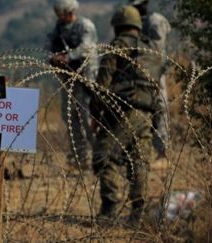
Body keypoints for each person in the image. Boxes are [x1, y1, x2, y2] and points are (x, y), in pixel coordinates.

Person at [91, 5, 162, 223]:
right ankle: (137, 213)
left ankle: (109, 209)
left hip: (124, 111)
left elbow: (102, 85)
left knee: (104, 154)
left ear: (118, 26)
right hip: (147, 113)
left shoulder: (118, 46)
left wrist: (96, 113)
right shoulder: (152, 50)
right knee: (138, 161)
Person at [47, 0, 98, 168]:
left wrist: (68, 57)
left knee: (87, 117)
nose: (59, 16)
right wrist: (54, 59)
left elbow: (86, 47)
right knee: (69, 117)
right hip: (68, 78)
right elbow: (50, 46)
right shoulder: (59, 29)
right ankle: (79, 157)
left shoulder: (85, 26)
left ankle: (99, 154)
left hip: (85, 78)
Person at [130, 0, 171, 160]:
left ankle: (162, 153)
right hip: (141, 74)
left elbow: (157, 50)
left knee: (160, 109)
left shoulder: (155, 21)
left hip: (155, 73)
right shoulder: (136, 23)